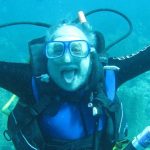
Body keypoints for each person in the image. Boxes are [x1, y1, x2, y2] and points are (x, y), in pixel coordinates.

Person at [0, 12, 150, 150]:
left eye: (77, 49)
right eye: (57, 49)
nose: (66, 58)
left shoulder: (109, 73)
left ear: (91, 54)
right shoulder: (32, 82)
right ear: (46, 56)